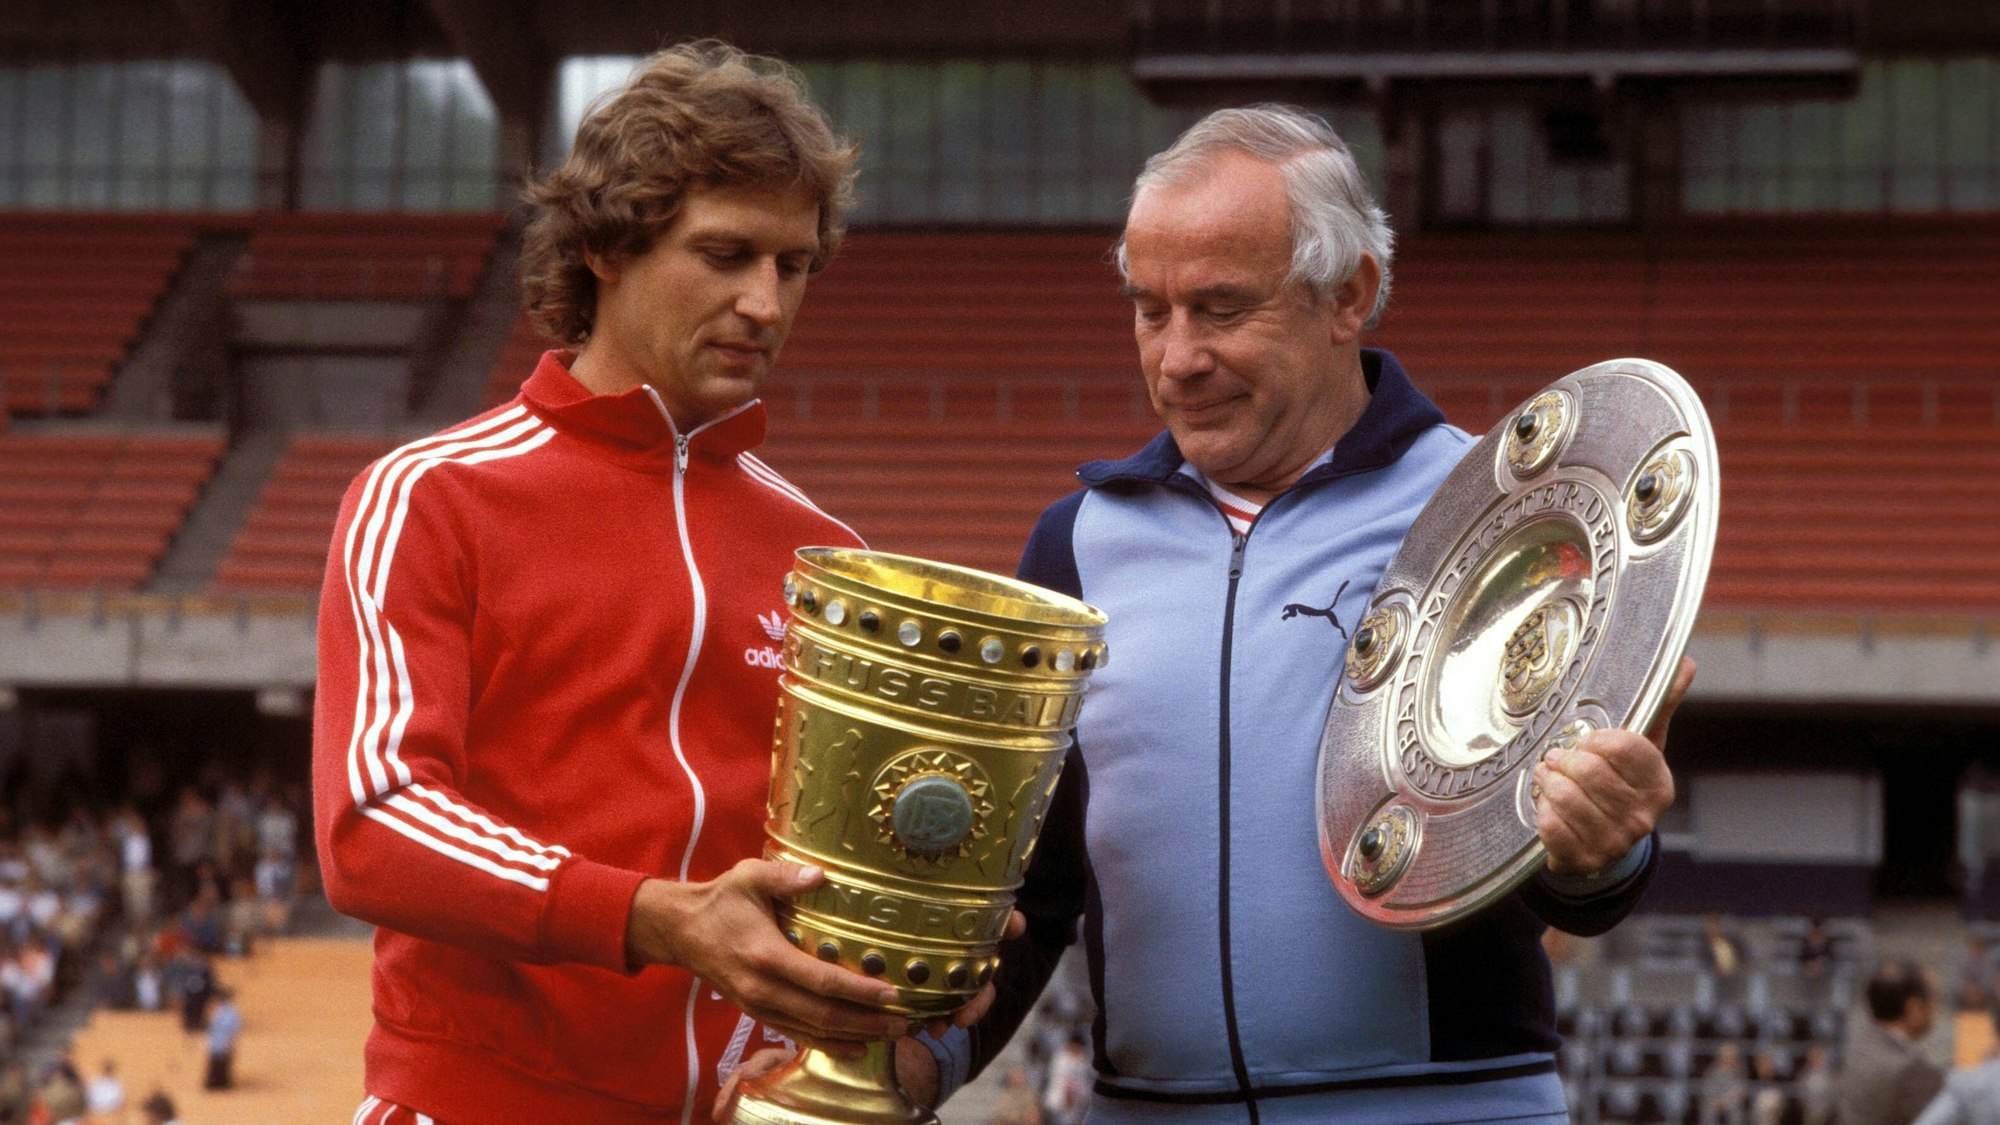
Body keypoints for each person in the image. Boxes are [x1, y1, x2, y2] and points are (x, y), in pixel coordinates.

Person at [899, 104, 1691, 1121]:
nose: (1176, 358)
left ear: (1347, 294)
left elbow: (1565, 863)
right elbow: (1031, 891)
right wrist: (918, 1064)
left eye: (1220, 309)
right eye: (1151, 310)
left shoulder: (1493, 512)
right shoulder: (1075, 546)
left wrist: (1600, 844)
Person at [312, 41, 922, 1124]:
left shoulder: (826, 553)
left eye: (792, 266)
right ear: (605, 245)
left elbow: (828, 865)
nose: (764, 303)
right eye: (725, 254)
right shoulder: (429, 497)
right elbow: (374, 825)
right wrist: (649, 917)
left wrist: (918, 937)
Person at [1842, 960, 1946, 1125]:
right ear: (1914, 1008)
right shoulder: (1915, 1071)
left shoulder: (1854, 1052)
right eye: (1934, 1000)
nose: (1936, 1010)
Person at [204, 986, 241, 1090]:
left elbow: (233, 1029)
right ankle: (218, 1084)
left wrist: (229, 1042)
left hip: (222, 1042)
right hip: (217, 1042)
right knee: (217, 1064)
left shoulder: (230, 1012)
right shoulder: (219, 1011)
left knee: (221, 1064)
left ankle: (220, 1085)